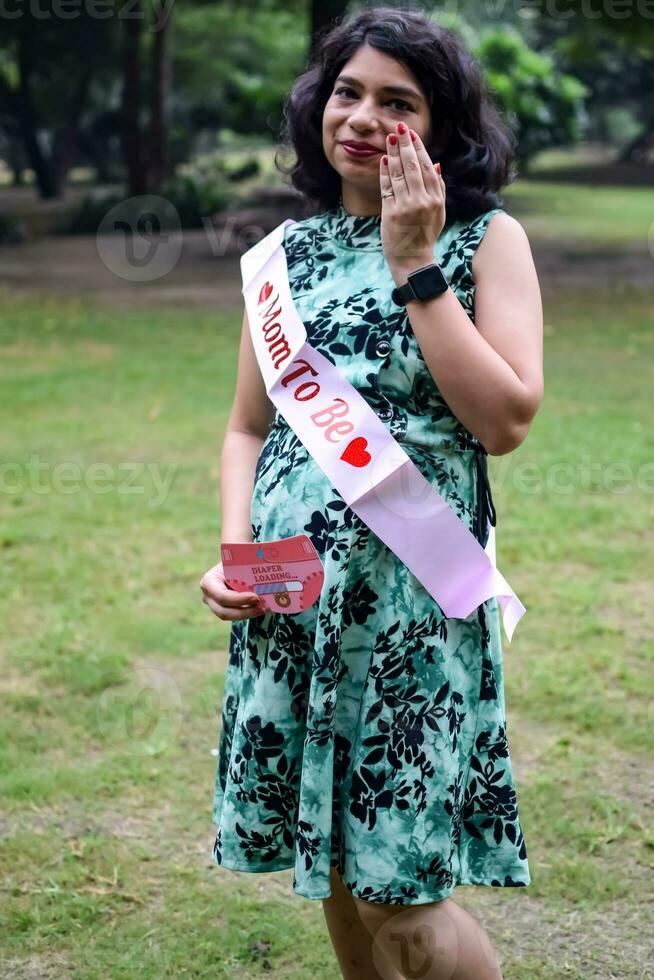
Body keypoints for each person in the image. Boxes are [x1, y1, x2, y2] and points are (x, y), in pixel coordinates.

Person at [200, 6, 543, 978]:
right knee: (336, 866)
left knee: (403, 894)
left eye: (398, 102)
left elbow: (506, 421)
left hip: (412, 609)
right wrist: (237, 549)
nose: (360, 115)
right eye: (347, 91)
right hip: (292, 602)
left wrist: (414, 263)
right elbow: (247, 426)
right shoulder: (282, 259)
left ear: (440, 130)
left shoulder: (486, 239)